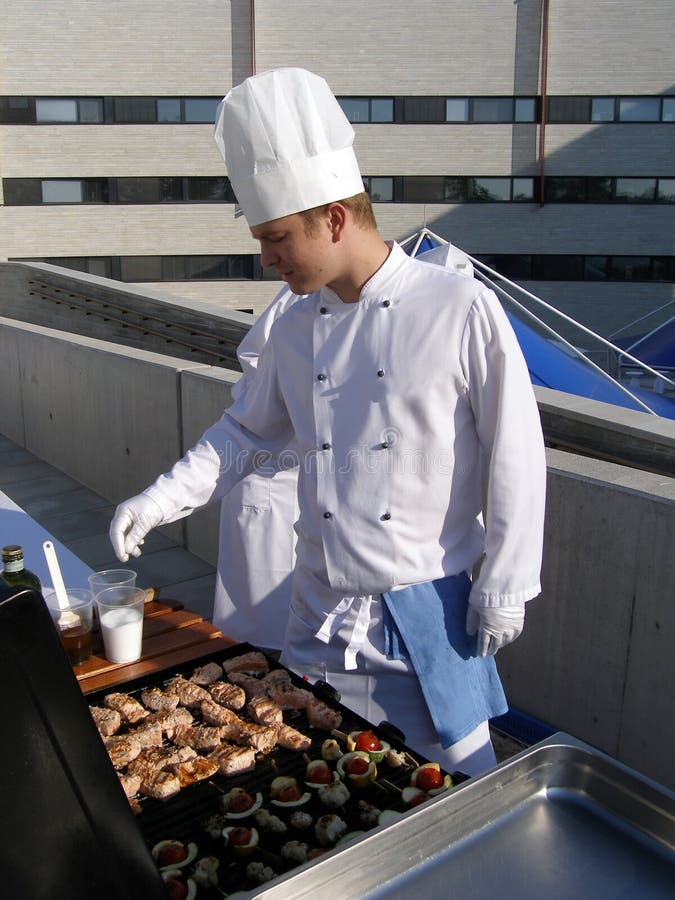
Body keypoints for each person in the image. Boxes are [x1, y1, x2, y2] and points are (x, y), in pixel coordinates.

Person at [110, 67, 546, 776]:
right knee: (314, 776)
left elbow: (515, 456)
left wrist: (506, 583)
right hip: (315, 609)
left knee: (455, 791)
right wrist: (160, 499)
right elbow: (247, 433)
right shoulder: (291, 321)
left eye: (277, 237)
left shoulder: (456, 308)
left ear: (334, 217)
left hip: (425, 613)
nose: (266, 257)